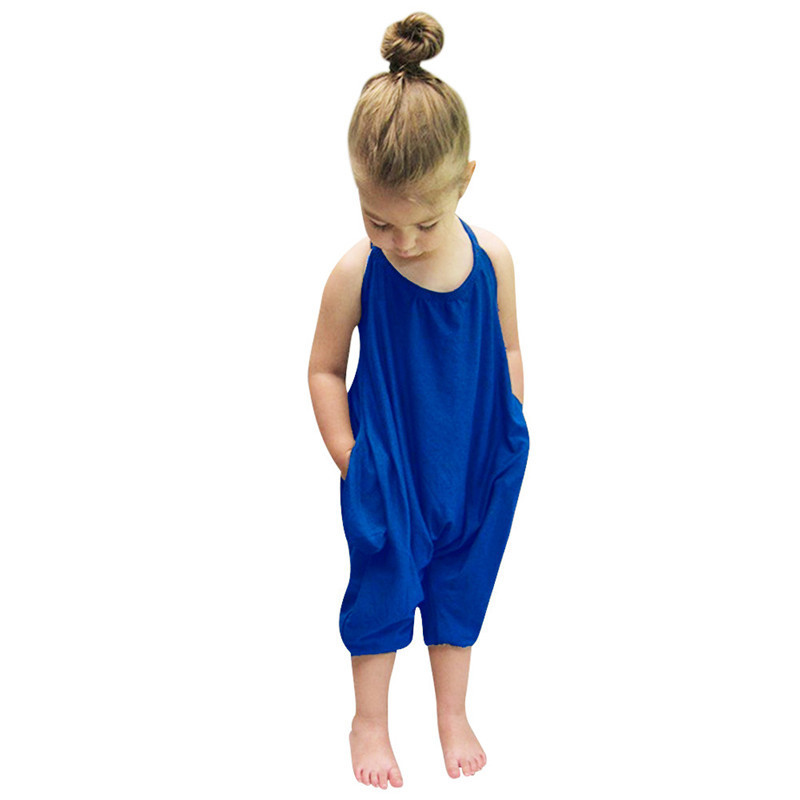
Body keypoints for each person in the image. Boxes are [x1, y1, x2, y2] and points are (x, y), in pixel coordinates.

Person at [307, 12, 530, 789]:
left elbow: (506, 349)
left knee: (461, 585)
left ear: (465, 179)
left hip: (471, 462)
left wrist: (510, 422)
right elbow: (324, 369)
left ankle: (451, 713)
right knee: (383, 583)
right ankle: (368, 722)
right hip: (393, 465)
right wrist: (350, 456)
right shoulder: (356, 272)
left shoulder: (492, 259)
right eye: (378, 220)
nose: (400, 241)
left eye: (423, 222)